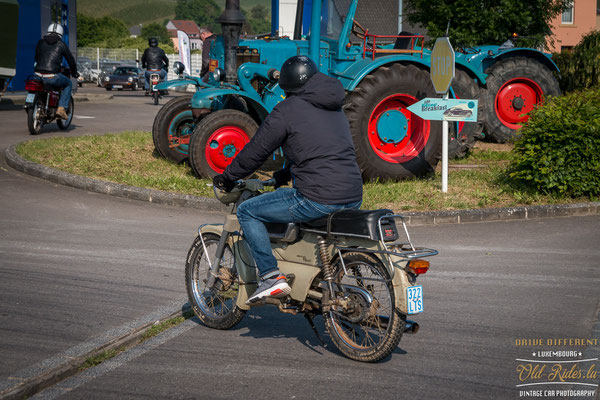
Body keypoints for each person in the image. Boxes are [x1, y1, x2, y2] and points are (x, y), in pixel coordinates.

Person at [213, 55, 364, 305]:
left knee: (249, 211)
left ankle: (271, 277)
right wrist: (284, 175)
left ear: (286, 87)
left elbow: (256, 152)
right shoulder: (333, 106)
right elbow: (316, 149)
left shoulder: (287, 110)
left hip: (317, 197)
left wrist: (228, 178)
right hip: (352, 193)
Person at [34, 23, 77, 120]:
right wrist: (74, 72)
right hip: (51, 76)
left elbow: (37, 58)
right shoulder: (61, 45)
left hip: (37, 75)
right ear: (61, 34)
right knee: (68, 84)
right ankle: (61, 109)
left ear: (48, 32)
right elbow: (70, 60)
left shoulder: (40, 42)